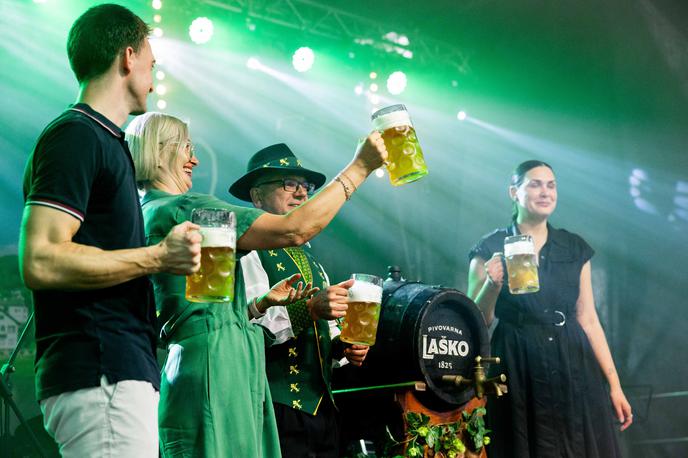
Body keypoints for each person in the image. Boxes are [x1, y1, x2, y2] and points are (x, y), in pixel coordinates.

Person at [125, 113, 386, 457]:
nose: (195, 158)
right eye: (186, 147)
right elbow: (296, 228)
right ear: (160, 152)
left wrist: (259, 305)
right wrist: (360, 167)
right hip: (221, 370)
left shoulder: (143, 213)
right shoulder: (188, 210)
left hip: (194, 364)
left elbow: (208, 307)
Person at [18, 5, 201, 457]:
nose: (155, 79)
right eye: (152, 64)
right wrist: (158, 256)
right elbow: (40, 259)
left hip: (116, 374)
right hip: (100, 372)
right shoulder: (77, 135)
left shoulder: (104, 141)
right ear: (127, 58)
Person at [467, 160, 633, 457]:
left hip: (572, 360)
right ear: (513, 193)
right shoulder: (490, 246)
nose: (545, 192)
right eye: (534, 184)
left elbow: (589, 319)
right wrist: (491, 282)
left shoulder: (574, 247)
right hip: (517, 359)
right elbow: (477, 320)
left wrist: (615, 385)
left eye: (551, 185)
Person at [230, 143, 370, 458]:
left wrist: (345, 349)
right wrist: (309, 309)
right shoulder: (247, 250)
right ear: (256, 196)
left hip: (323, 409)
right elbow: (247, 327)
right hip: (273, 407)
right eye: (288, 184)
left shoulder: (314, 262)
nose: (302, 193)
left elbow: (325, 341)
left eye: (304, 186)